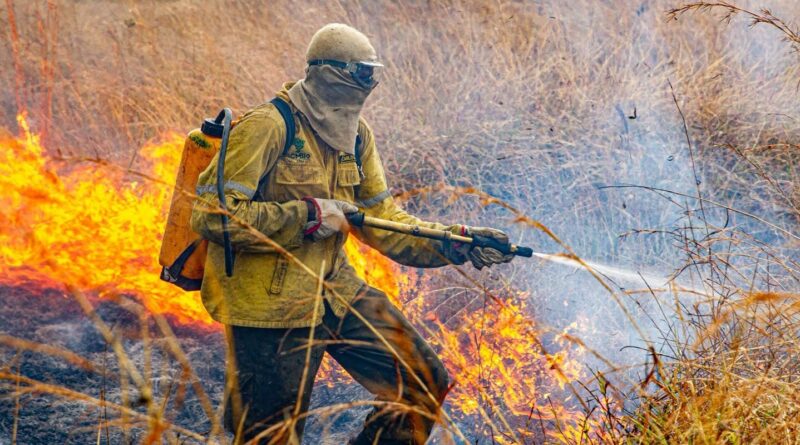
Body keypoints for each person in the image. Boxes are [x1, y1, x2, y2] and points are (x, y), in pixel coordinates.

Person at [191, 23, 515, 445]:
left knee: (420, 380)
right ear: (328, 73)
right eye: (360, 73)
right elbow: (213, 215)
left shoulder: (357, 135)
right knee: (270, 436)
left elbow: (384, 218)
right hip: (270, 309)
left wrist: (456, 240)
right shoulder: (267, 127)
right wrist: (304, 215)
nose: (368, 83)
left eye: (371, 73)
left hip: (334, 290)